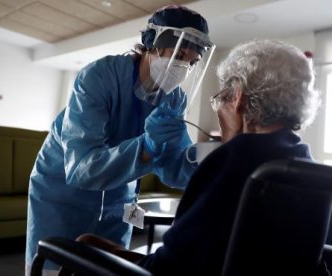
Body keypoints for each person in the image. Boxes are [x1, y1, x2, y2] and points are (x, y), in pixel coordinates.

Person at [71, 39, 325, 275]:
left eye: (220, 99)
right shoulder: (307, 167)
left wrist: (104, 251)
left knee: (83, 243)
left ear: (237, 98)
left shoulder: (230, 164)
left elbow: (167, 268)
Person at [25, 5, 215, 275]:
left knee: (109, 267)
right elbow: (81, 170)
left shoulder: (174, 98)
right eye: (179, 55)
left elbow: (173, 170)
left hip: (120, 196)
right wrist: (146, 148)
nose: (183, 67)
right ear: (152, 43)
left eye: (192, 62)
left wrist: (206, 159)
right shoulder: (99, 77)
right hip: (63, 194)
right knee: (54, 267)